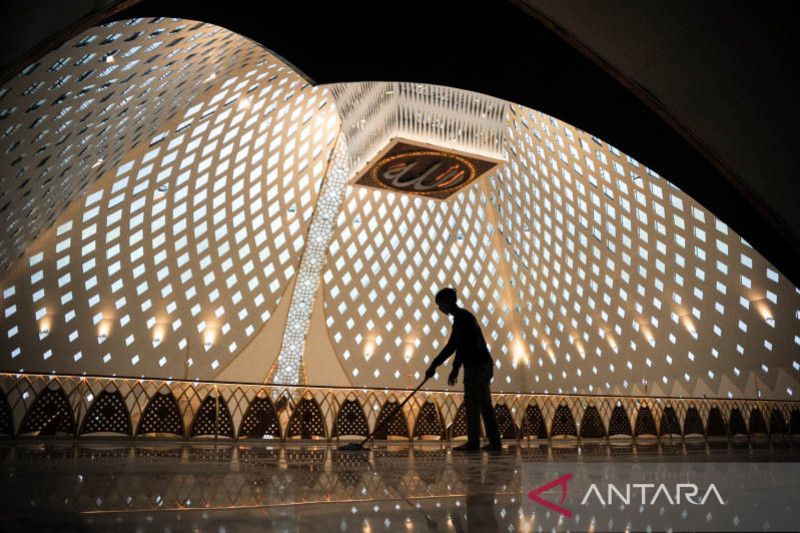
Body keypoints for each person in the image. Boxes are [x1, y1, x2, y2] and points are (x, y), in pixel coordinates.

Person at [425, 287, 502, 451]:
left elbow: (461, 346)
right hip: (484, 364)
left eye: (440, 304)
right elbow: (454, 345)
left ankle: (473, 442)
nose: (440, 308)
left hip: (475, 365)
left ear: (447, 302)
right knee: (485, 405)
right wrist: (435, 364)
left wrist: (453, 368)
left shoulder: (462, 319)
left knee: (473, 404)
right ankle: (495, 442)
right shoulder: (463, 317)